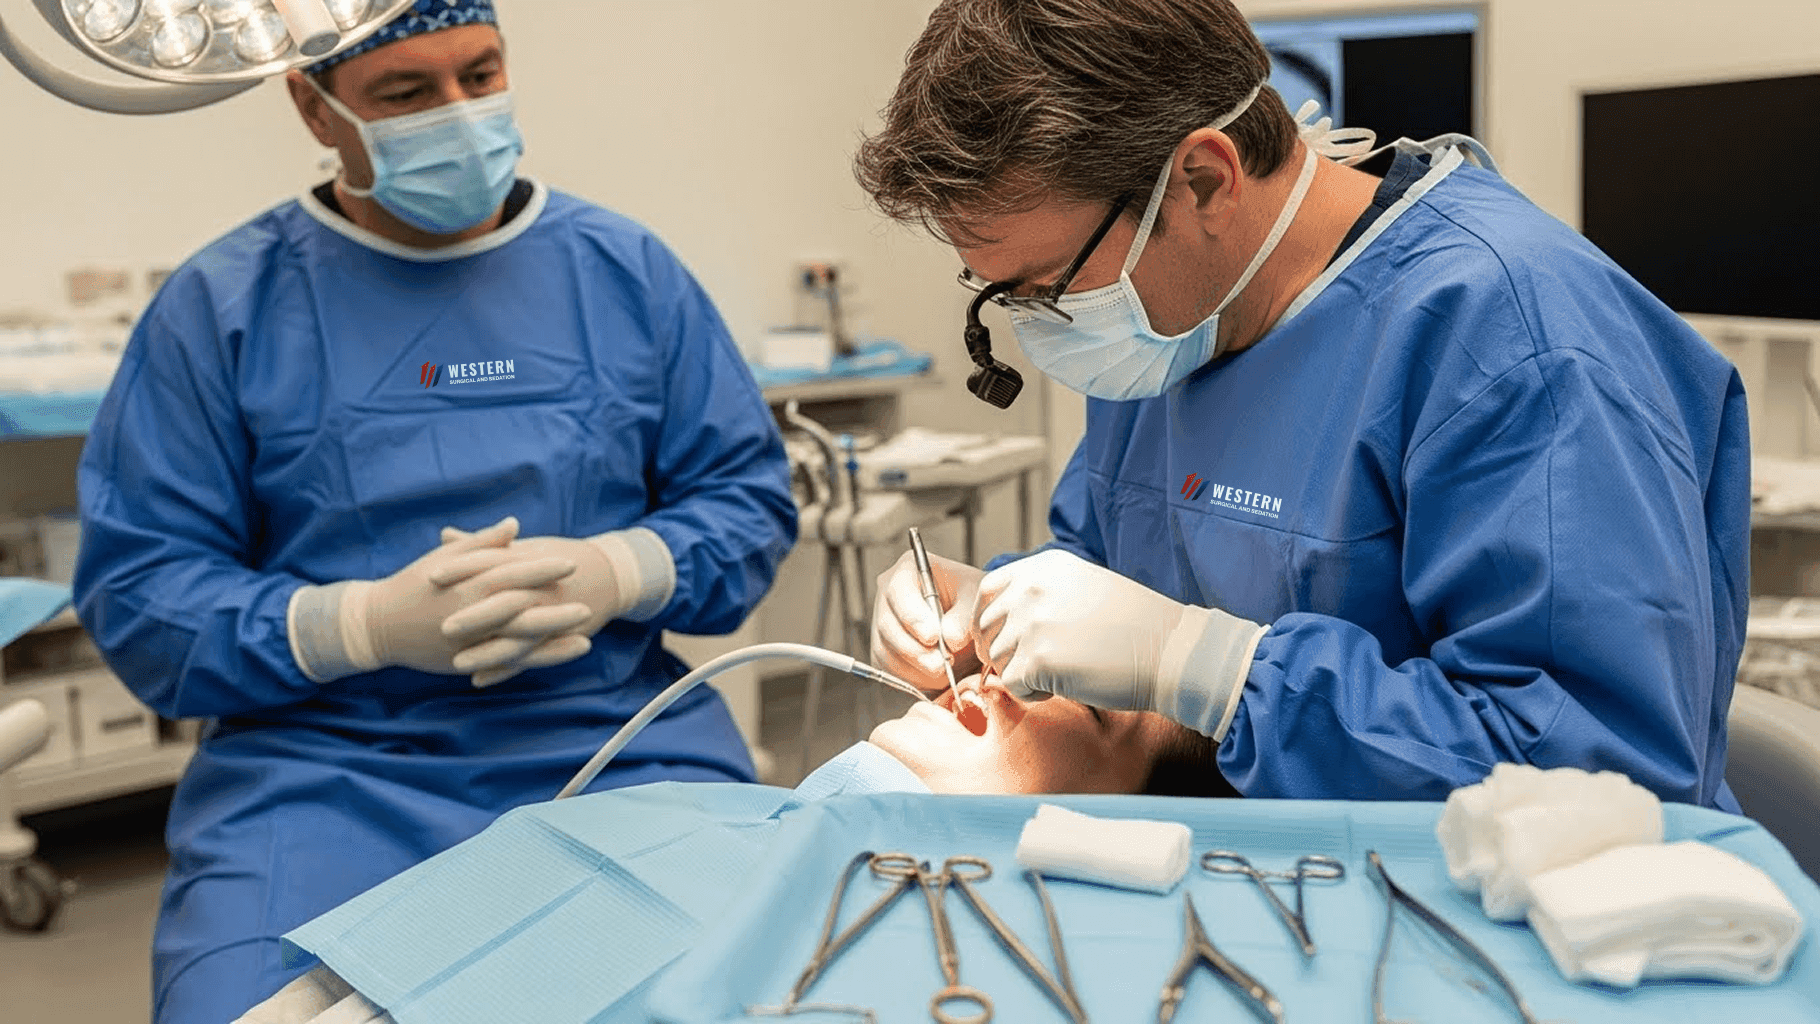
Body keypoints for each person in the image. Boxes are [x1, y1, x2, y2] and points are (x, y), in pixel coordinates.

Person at [71, 2, 796, 1020]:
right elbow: (143, 592)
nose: (457, 113)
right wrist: (354, 625)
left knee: (769, 981)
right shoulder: (223, 306)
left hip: (616, 738)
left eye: (480, 74)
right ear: (314, 108)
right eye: (407, 94)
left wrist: (616, 571)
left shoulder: (624, 272)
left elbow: (743, 500)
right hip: (321, 769)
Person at [861, 0, 1748, 810]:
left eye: (1050, 285)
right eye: (1001, 293)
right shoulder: (1171, 330)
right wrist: (994, 614)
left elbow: (1601, 777)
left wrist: (1210, 668)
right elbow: (1110, 565)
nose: (1037, 325)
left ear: (1204, 180)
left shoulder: (1518, 340)